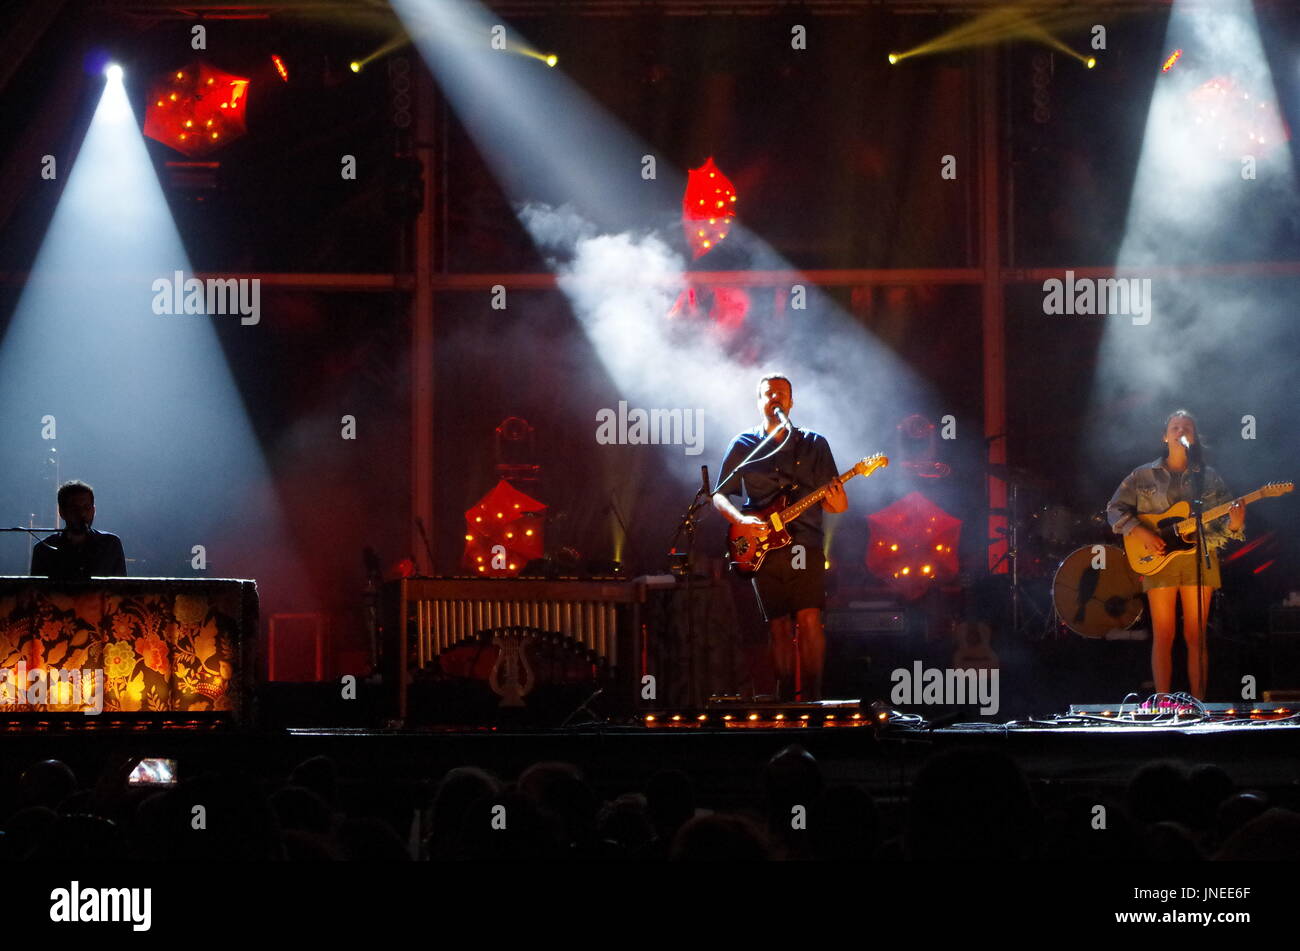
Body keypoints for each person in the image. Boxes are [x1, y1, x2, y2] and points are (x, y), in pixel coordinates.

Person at [713, 374, 846, 701]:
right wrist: (741, 520)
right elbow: (719, 495)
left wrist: (837, 497)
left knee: (809, 618)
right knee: (778, 624)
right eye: (768, 393)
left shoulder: (814, 443)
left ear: (791, 402)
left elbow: (837, 506)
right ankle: (784, 700)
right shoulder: (744, 444)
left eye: (781, 394)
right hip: (763, 547)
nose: (775, 398)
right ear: (759, 402)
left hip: (805, 544)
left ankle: (814, 699)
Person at [1107, 411, 1244, 699]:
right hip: (1159, 558)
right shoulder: (1143, 475)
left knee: (1196, 636)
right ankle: (1162, 704)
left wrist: (1235, 522)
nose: (1181, 431)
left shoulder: (1208, 476)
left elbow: (1225, 526)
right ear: (1165, 436)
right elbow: (1114, 509)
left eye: (1187, 428)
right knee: (1164, 634)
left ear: (1194, 438)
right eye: (1175, 427)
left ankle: (1199, 704)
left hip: (1199, 557)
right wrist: (1140, 532)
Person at [30, 480, 126, 581]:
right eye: (74, 508)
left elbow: (122, 587)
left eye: (87, 508)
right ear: (62, 512)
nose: (82, 513)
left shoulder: (110, 544)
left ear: (94, 510)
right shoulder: (44, 549)